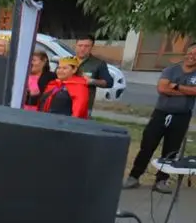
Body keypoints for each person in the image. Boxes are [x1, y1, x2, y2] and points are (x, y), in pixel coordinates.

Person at [125, 42, 196, 192]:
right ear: (185, 54)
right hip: (161, 113)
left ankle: (161, 180)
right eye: (190, 53)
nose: (192, 56)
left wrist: (176, 87)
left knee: (171, 149)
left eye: (195, 55)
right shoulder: (171, 70)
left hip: (182, 116)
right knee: (148, 145)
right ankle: (134, 177)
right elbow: (162, 88)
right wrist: (187, 91)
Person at [72, 35, 112, 115]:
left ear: (92, 47)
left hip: (85, 106)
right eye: (80, 45)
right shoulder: (67, 60)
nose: (83, 49)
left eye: (86, 46)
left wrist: (91, 81)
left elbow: (109, 83)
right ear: (75, 46)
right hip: (64, 102)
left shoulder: (98, 63)